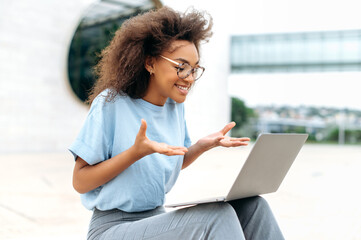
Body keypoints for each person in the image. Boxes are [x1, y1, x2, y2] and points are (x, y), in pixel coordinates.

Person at [69, 6, 285, 240]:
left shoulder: (174, 107)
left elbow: (172, 159)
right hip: (112, 228)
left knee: (253, 207)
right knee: (216, 216)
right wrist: (134, 153)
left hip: (156, 219)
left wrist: (202, 145)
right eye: (180, 67)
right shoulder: (111, 104)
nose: (189, 78)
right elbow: (80, 181)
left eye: (194, 69)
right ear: (150, 63)